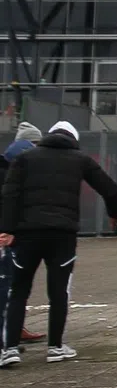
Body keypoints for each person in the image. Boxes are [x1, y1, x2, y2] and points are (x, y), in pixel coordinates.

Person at [0, 122, 117, 367]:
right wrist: (115, 214)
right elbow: (109, 188)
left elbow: (10, 194)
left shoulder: (25, 158)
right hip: (62, 235)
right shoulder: (80, 159)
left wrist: (6, 230)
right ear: (73, 138)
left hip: (27, 234)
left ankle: (9, 349)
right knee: (59, 291)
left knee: (19, 290)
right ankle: (56, 348)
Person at [0, 124, 47, 346]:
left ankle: (14, 329)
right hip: (9, 235)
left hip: (12, 233)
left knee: (13, 284)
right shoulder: (21, 164)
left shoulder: (10, 163)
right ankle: (10, 333)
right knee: (10, 284)